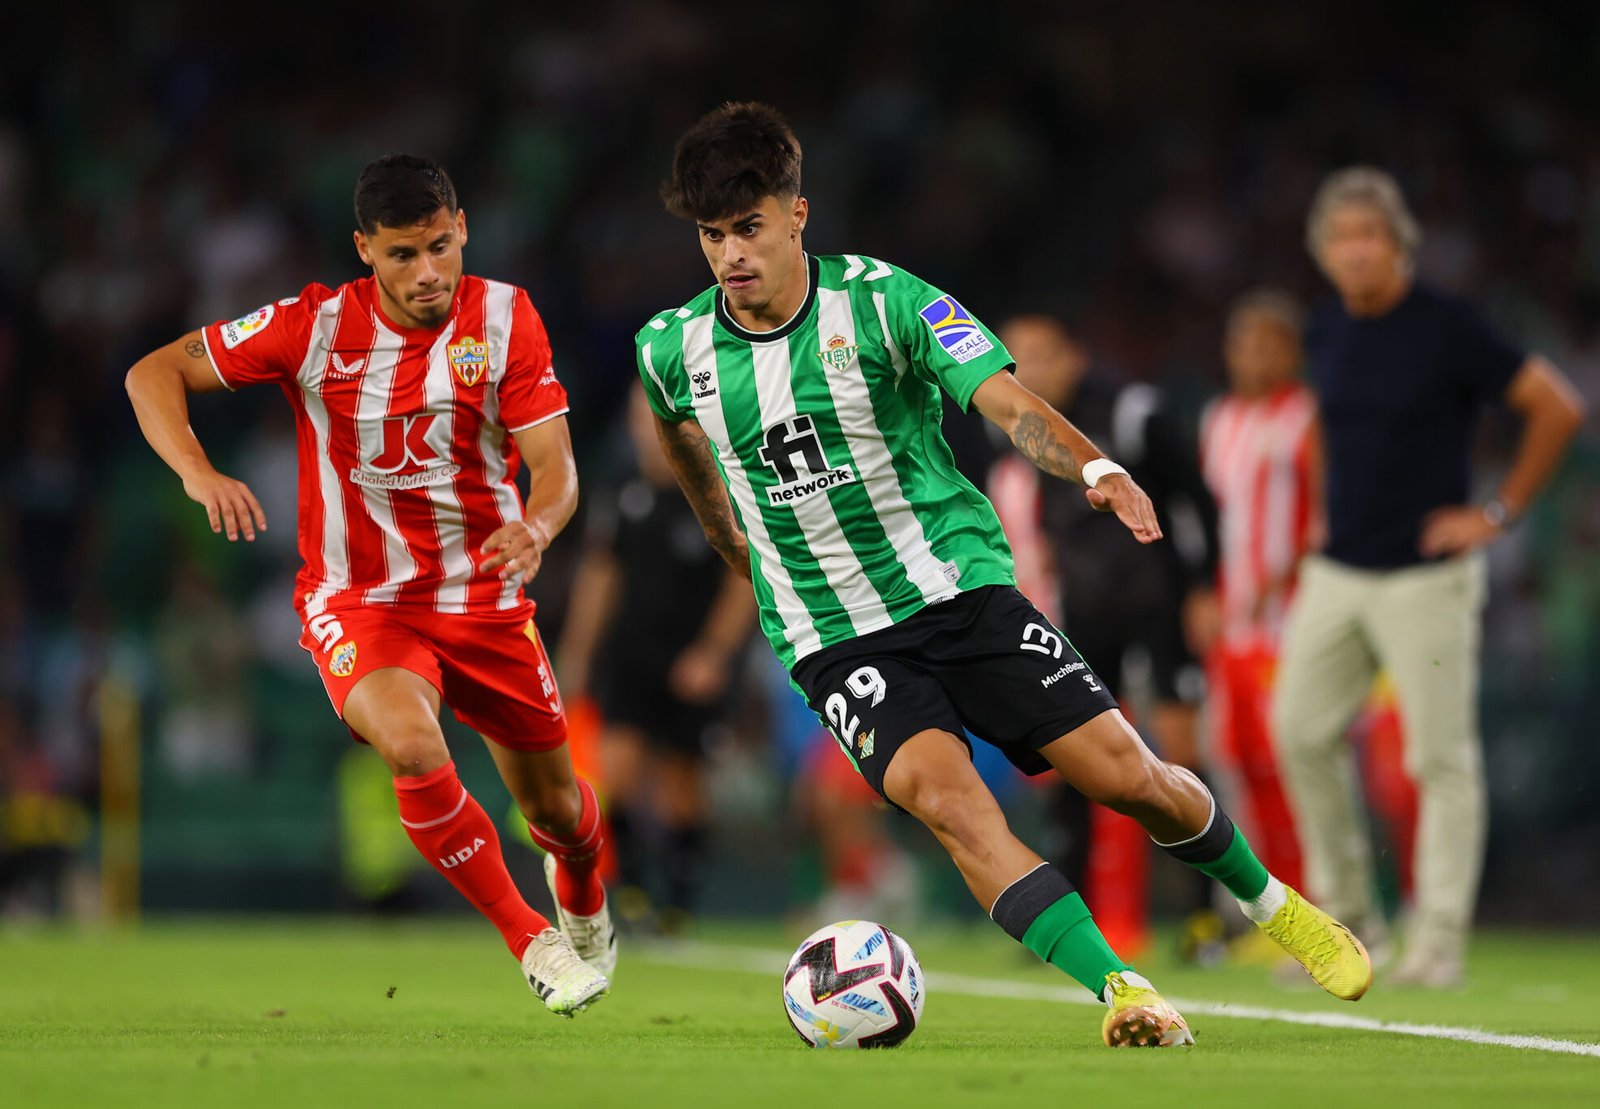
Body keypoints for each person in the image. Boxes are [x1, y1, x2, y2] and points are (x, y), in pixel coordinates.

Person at [636, 101, 1372, 1048]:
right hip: (834, 635)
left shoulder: (888, 302)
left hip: (959, 590)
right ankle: (1123, 989)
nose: (732, 254)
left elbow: (1007, 403)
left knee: (1128, 775)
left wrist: (1096, 467)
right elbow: (680, 438)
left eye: (749, 228)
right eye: (712, 235)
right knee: (951, 805)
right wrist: (731, 543)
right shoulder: (674, 347)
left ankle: (1275, 905)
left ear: (797, 215)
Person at [125, 154, 615, 1017]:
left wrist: (536, 526)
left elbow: (556, 467)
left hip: (487, 595)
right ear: (364, 251)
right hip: (362, 598)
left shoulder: (505, 318)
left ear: (461, 227)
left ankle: (578, 892)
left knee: (562, 813)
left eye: (437, 246)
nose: (426, 273)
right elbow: (152, 372)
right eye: (400, 255)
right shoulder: (310, 328)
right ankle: (530, 939)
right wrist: (199, 473)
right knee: (411, 742)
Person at [1274, 167, 1588, 988]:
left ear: (1398, 244)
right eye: (1340, 238)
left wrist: (1496, 514)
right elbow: (1322, 426)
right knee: (1298, 730)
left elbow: (1556, 404)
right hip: (1340, 567)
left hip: (1428, 573)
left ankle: (1438, 939)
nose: (1354, 252)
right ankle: (1348, 922)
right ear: (1322, 251)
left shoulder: (1448, 326)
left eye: (1368, 235)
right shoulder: (1326, 327)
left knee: (1437, 759)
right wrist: (1314, 516)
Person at [995, 314, 1221, 958]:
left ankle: (1205, 918)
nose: (1027, 371)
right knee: (1078, 761)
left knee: (1180, 755)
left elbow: (1196, 500)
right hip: (1088, 613)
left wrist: (1204, 588)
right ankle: (1079, 920)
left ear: (1075, 355)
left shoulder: (1132, 411)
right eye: (1018, 359)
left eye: (1041, 354)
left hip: (1159, 603)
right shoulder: (1025, 429)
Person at [557, 381, 757, 933]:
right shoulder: (621, 493)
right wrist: (576, 651)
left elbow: (743, 583)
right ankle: (634, 891)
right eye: (637, 422)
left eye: (656, 423)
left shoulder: (718, 492)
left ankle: (680, 899)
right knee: (613, 773)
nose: (647, 434)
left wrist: (714, 654)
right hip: (630, 655)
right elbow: (601, 574)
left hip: (692, 657)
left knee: (681, 785)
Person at [1196, 290, 1317, 937]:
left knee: (1288, 759)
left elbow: (1326, 510)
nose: (1254, 355)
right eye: (1244, 341)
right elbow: (1207, 519)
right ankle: (1255, 911)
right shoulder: (1218, 418)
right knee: (1231, 759)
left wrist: (1289, 575)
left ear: (1293, 352)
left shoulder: (1306, 417)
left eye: (1269, 342)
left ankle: (1312, 900)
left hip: (1288, 622)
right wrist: (1203, 593)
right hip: (1229, 623)